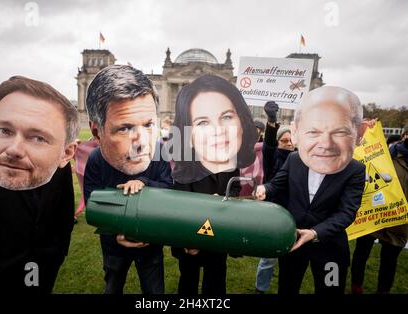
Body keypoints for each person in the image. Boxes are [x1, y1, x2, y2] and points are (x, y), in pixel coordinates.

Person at [0, 76, 79, 294]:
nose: (14, 149)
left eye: (38, 138)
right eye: (5, 131)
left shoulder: (59, 169)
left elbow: (64, 214)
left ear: (66, 153)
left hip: (44, 264)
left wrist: (59, 253)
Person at [255, 86, 366, 294]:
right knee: (287, 288)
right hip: (293, 241)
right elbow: (276, 186)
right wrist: (264, 189)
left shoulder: (355, 170)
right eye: (314, 132)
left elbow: (346, 213)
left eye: (339, 132)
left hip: (330, 248)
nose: (325, 144)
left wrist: (315, 233)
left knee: (330, 291)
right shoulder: (295, 159)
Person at [83, 65, 172, 294]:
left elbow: (168, 188)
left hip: (150, 245)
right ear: (97, 132)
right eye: (124, 128)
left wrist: (144, 182)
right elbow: (93, 205)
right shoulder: (95, 160)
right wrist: (115, 235)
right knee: (113, 287)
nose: (141, 142)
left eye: (148, 125)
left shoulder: (159, 151)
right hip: (114, 248)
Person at [170, 75, 257, 294]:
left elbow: (234, 188)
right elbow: (177, 208)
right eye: (203, 122)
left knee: (216, 280)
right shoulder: (183, 166)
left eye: (226, 117)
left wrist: (228, 199)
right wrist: (185, 242)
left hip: (219, 234)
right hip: (192, 237)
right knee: (188, 280)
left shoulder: (230, 161)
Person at [351, 125, 408, 294]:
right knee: (361, 253)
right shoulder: (388, 154)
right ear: (405, 135)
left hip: (400, 221)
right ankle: (356, 286)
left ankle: (382, 291)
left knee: (389, 261)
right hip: (373, 214)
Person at [254, 101, 295, 294]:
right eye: (284, 140)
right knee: (268, 258)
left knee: (292, 257)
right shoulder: (273, 155)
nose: (288, 143)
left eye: (290, 140)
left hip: (295, 209)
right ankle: (260, 289)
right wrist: (272, 120)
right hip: (274, 210)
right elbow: (269, 143)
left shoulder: (301, 158)